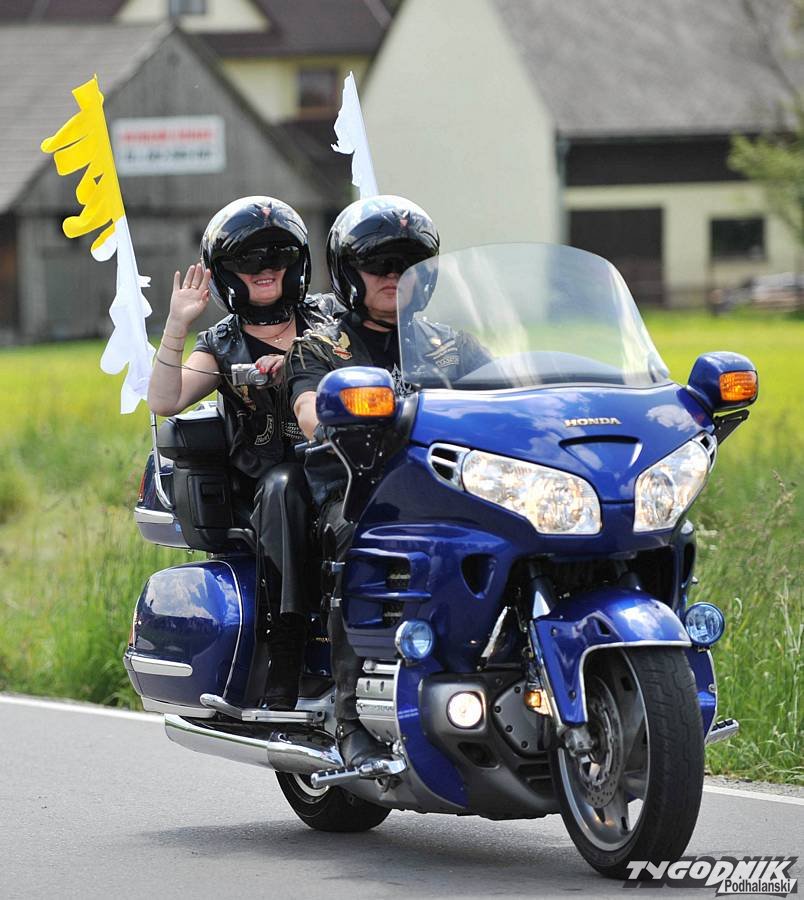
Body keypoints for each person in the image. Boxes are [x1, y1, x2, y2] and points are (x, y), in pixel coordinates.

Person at [285, 195, 491, 766]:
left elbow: (512, 393)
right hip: (360, 492)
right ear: (350, 272)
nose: (394, 276)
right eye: (379, 264)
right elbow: (308, 411)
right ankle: (348, 717)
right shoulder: (321, 346)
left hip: (451, 489)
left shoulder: (454, 345)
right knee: (361, 545)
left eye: (409, 264)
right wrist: (341, 412)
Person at [147, 196, 342, 710]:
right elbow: (165, 400)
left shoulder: (330, 318)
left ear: (297, 263)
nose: (264, 268)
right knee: (285, 484)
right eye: (247, 259)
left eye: (277, 255)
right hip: (270, 488)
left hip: (345, 465)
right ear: (226, 272)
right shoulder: (222, 343)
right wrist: (177, 324)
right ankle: (286, 651)